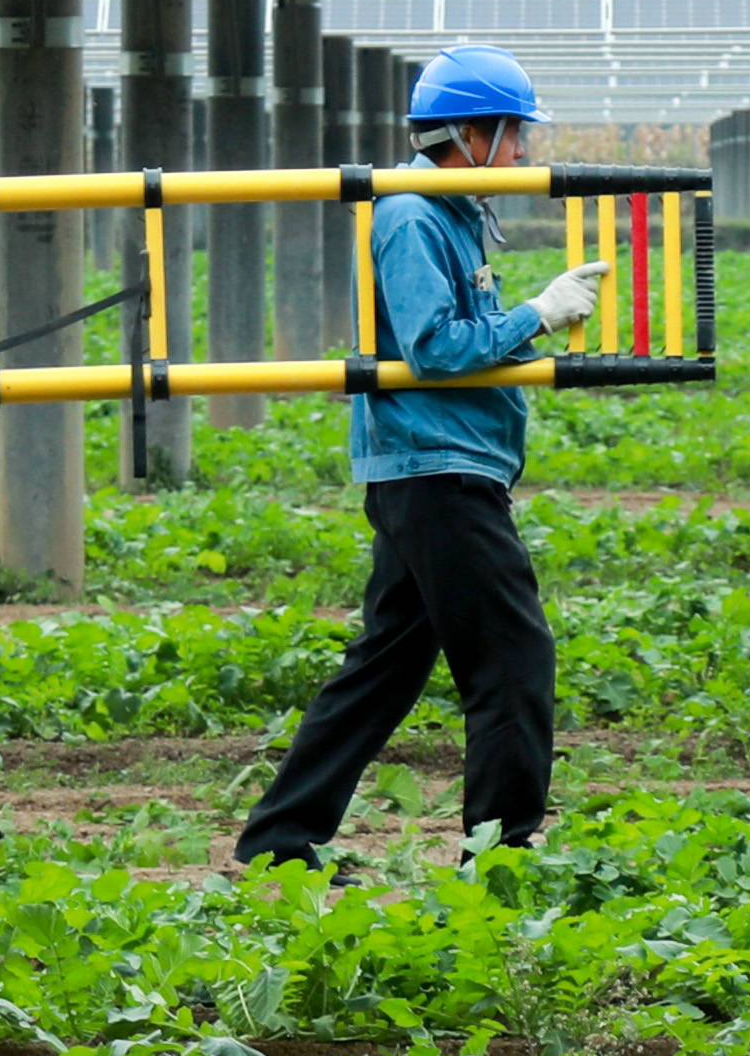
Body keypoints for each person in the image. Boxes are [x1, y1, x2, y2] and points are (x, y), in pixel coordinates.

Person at [233, 43, 600, 870]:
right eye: (514, 137)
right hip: (437, 470)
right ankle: (503, 851)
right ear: (470, 132)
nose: (522, 155)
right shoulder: (411, 213)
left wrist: (531, 315)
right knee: (514, 655)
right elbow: (435, 346)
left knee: (384, 670)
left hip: (439, 466)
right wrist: (537, 314)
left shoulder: (455, 209)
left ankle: (280, 840)